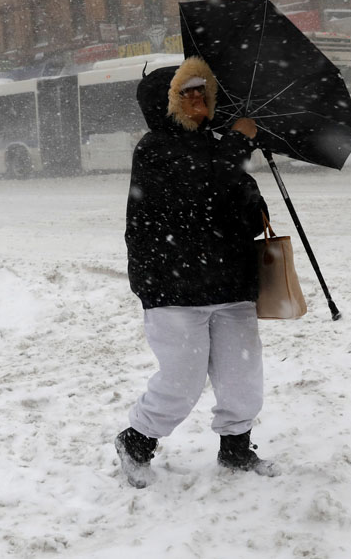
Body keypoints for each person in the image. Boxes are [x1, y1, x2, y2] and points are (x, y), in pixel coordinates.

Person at [115, 56, 279, 488]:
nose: (198, 99)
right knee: (182, 381)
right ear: (167, 102)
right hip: (174, 287)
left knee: (243, 378)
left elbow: (238, 206)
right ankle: (136, 442)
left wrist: (253, 201)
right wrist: (239, 143)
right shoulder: (153, 149)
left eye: (202, 91)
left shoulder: (220, 148)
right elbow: (196, 189)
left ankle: (236, 448)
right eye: (186, 92)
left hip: (230, 284)